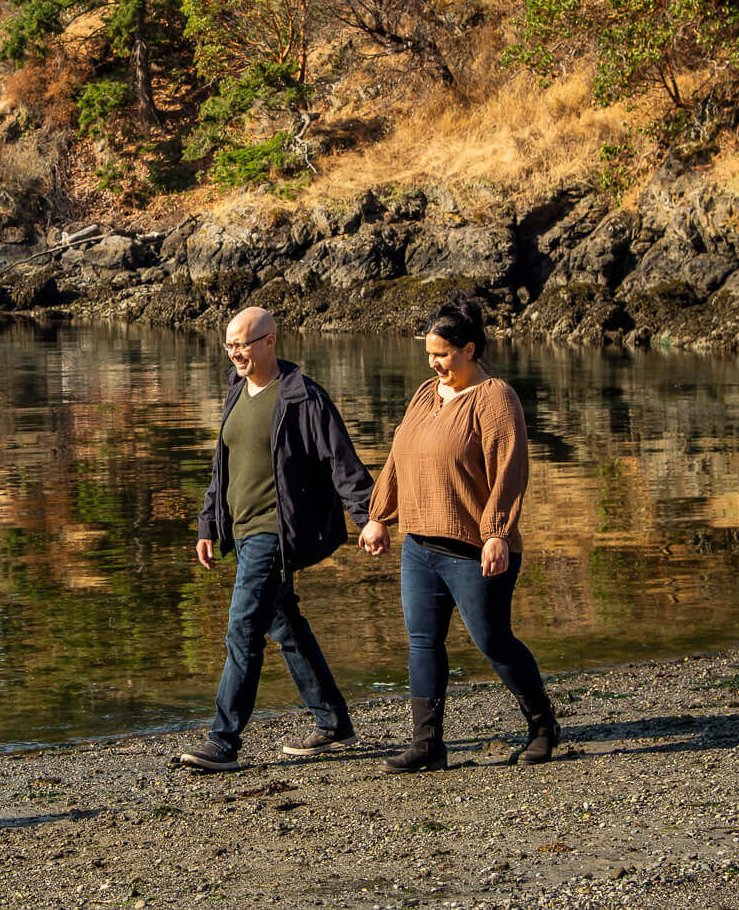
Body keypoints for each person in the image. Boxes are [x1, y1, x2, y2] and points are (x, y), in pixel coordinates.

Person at [358, 298, 559, 772]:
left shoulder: (496, 399)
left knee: (493, 641)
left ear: (469, 349)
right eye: (429, 353)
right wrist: (379, 515)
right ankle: (428, 745)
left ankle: (544, 725)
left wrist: (496, 532)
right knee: (423, 641)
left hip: (475, 550)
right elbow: (397, 455)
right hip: (420, 547)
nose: (434, 362)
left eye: (443, 354)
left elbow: (511, 471)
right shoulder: (427, 393)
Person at [179, 306, 375, 772]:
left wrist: (369, 517)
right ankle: (333, 722)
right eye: (229, 344)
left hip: (276, 535)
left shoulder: (302, 397)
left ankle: (223, 741)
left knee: (242, 629)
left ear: (270, 341)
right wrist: (209, 524)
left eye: (243, 343)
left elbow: (341, 463)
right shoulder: (235, 390)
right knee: (284, 623)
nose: (235, 352)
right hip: (242, 531)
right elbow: (221, 469)